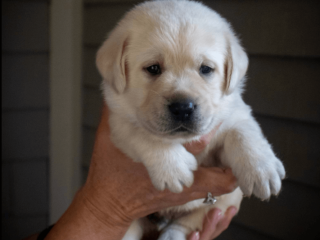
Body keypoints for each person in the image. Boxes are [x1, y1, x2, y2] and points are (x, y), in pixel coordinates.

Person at [25, 105, 238, 240]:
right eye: (154, 69)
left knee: (222, 200)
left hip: (198, 205)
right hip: (130, 219)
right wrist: (106, 210)